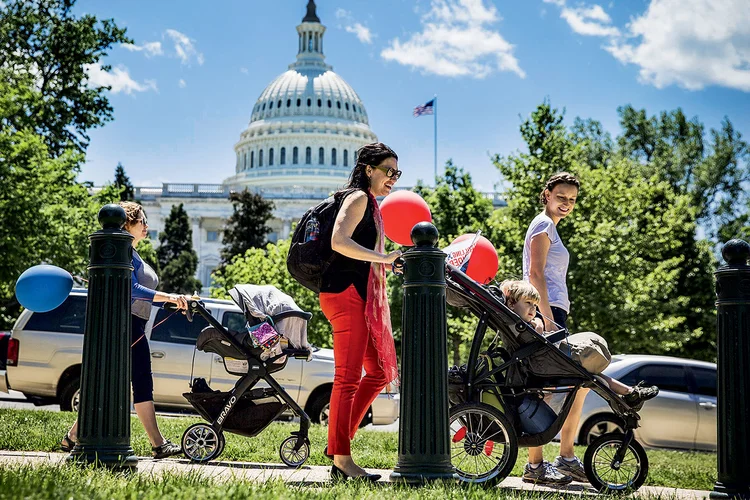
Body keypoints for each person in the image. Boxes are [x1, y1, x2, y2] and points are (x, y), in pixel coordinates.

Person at [521, 173, 657, 484]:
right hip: (547, 313)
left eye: (571, 199)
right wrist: (546, 319)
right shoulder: (543, 225)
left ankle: (567, 457)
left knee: (578, 385)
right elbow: (535, 273)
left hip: (555, 311)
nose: (566, 203)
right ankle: (535, 466)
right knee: (551, 389)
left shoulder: (550, 227)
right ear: (547, 194)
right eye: (561, 197)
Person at [60, 201, 191, 459]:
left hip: (133, 325)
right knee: (139, 381)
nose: (146, 226)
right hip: (127, 326)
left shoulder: (131, 252)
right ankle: (158, 443)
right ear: (128, 223)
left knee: (111, 380)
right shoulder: (123, 252)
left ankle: (72, 436)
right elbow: (133, 290)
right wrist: (169, 297)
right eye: (142, 221)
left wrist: (171, 301)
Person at [319, 142, 402, 481]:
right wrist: (384, 258)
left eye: (397, 174)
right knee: (348, 378)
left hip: (356, 296)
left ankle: (338, 443)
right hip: (346, 294)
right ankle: (341, 459)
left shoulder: (370, 204)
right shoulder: (358, 198)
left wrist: (386, 262)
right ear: (369, 169)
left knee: (379, 372)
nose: (393, 179)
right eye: (388, 171)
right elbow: (339, 241)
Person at [501, 280, 658, 401]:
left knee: (589, 374)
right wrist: (539, 325)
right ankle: (628, 394)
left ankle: (628, 393)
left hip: (544, 360)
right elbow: (535, 339)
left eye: (535, 305)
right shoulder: (516, 324)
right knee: (587, 372)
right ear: (512, 303)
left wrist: (538, 323)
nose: (533, 309)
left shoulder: (519, 323)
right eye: (528, 303)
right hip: (540, 364)